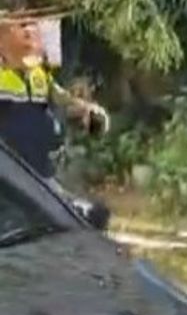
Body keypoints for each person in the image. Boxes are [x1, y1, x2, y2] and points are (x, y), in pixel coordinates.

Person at [0, 14, 111, 226]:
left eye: (33, 25)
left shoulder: (39, 76)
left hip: (41, 178)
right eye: (21, 25)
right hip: (10, 182)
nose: (30, 31)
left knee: (94, 216)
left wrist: (89, 112)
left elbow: (65, 100)